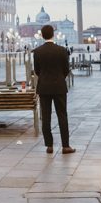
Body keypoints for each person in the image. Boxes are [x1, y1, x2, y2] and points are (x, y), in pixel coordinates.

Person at [33, 23, 75, 155]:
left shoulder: (38, 51)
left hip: (44, 88)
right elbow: (66, 70)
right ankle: (65, 146)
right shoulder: (62, 50)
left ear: (42, 35)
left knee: (46, 117)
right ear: (54, 34)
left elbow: (37, 70)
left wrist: (45, 79)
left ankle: (49, 145)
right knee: (62, 115)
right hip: (59, 87)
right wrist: (59, 78)